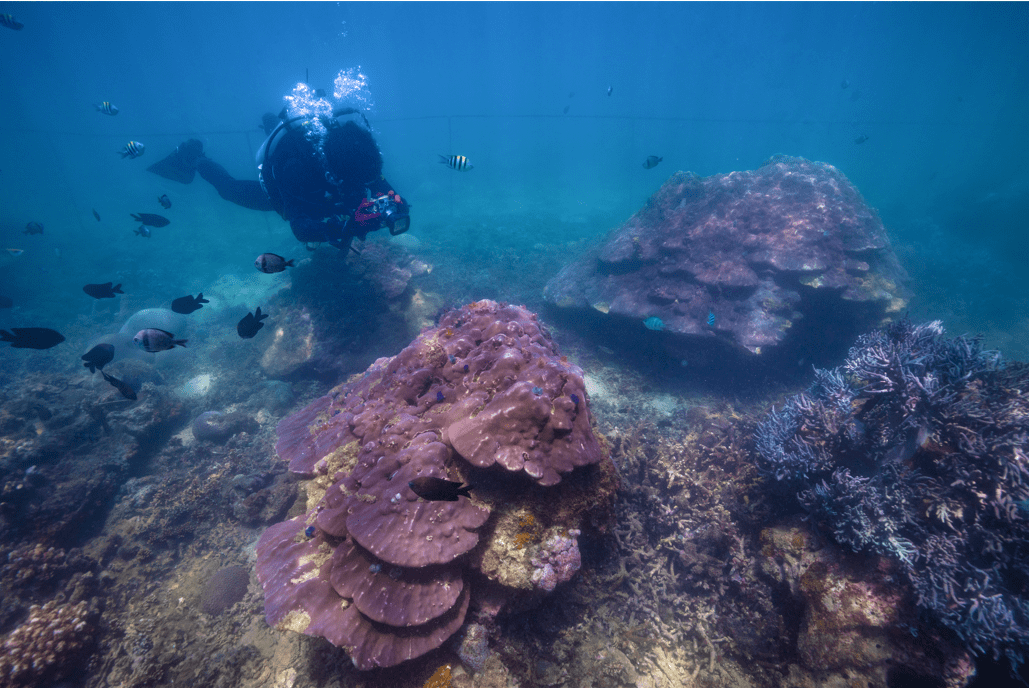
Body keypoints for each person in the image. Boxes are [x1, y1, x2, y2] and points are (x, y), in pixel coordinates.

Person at [147, 106, 410, 252]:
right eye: (359, 181)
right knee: (229, 190)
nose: (363, 185)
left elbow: (381, 185)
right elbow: (300, 228)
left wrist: (395, 204)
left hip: (324, 185)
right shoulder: (296, 170)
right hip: (286, 191)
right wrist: (346, 228)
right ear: (336, 172)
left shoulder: (356, 156)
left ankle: (272, 121)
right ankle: (198, 159)